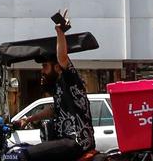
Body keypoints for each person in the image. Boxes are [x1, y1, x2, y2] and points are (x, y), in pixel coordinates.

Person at [13, 11, 93, 161]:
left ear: (57, 67)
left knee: (22, 156)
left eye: (45, 66)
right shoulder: (59, 87)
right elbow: (53, 110)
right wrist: (28, 119)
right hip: (65, 141)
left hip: (75, 141)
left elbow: (62, 57)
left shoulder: (69, 79)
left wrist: (59, 32)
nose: (42, 71)